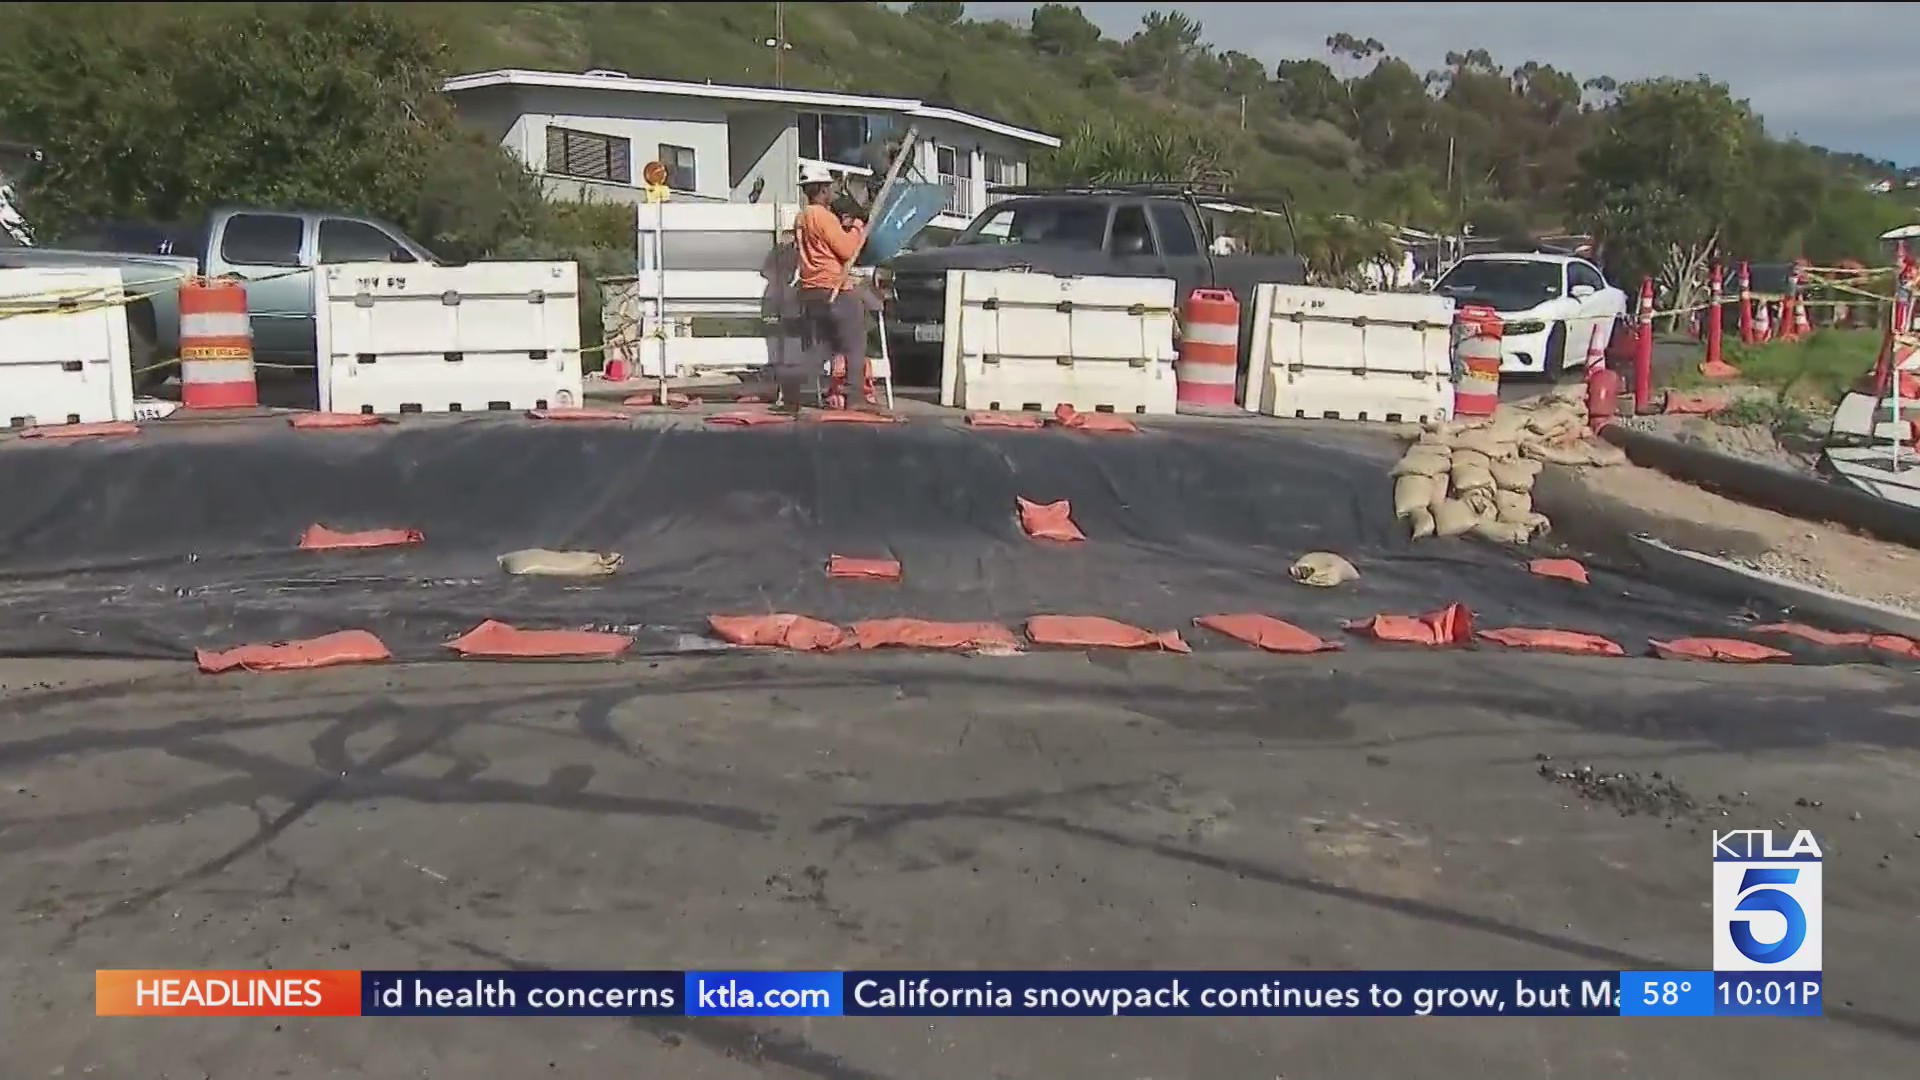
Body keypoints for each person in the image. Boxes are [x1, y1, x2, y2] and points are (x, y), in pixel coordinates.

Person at [790, 161, 873, 412]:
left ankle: (796, 392)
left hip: (811, 289)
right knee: (855, 344)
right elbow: (847, 250)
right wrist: (857, 227)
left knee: (822, 345)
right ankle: (856, 398)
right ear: (823, 189)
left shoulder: (802, 217)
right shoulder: (823, 217)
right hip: (834, 289)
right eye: (830, 188)